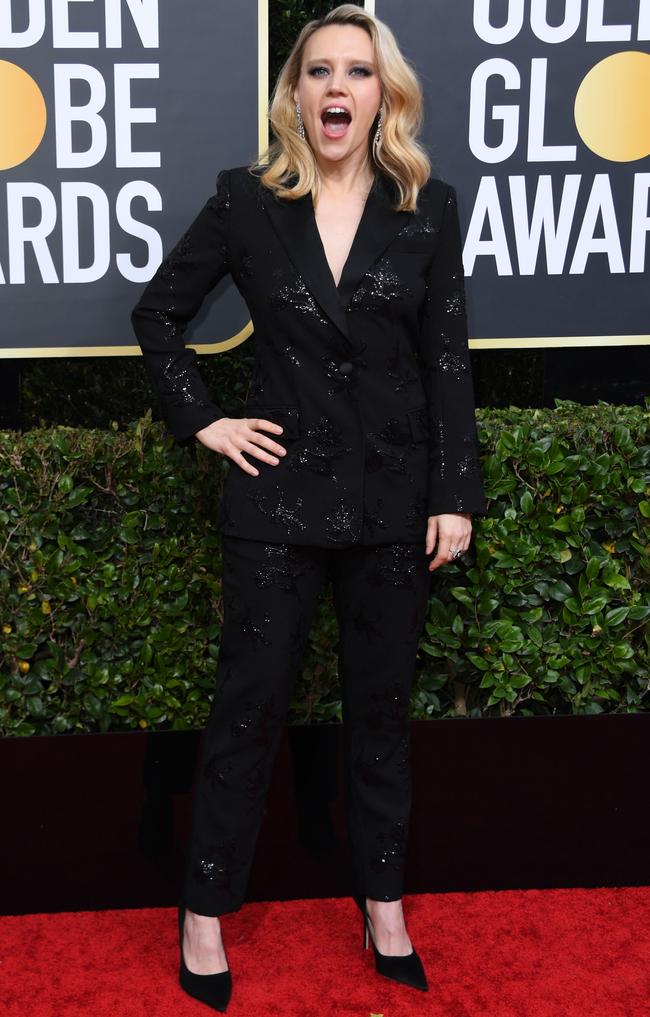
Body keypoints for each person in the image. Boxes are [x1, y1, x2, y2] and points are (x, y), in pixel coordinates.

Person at [131, 4, 488, 1011]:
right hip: (275, 505)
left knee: (379, 716)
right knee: (245, 714)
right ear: (294, 91)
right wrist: (204, 420)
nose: (338, 88)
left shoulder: (427, 206)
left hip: (388, 505)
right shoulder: (245, 204)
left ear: (384, 96)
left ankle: (383, 907)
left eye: (358, 73)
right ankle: (203, 914)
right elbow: (158, 314)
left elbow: (446, 362)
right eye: (319, 71)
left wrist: (451, 493)